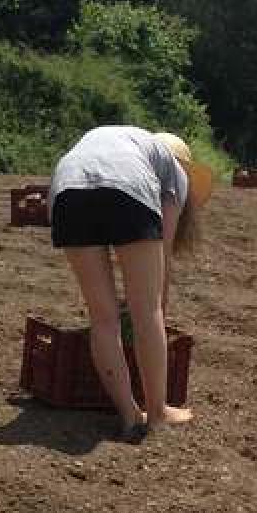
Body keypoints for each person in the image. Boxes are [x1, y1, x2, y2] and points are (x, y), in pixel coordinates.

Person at [48, 126, 214, 440]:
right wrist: (158, 309)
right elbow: (162, 256)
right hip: (129, 189)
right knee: (146, 312)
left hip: (66, 189)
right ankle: (157, 412)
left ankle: (128, 416)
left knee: (102, 318)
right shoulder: (174, 172)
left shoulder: (118, 139)